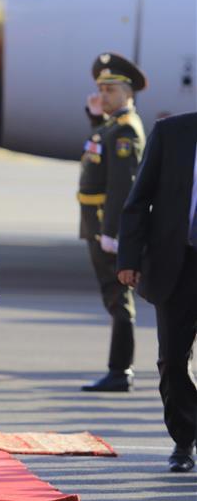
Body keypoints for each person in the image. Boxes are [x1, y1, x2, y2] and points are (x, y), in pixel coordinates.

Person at [117, 111, 197, 472]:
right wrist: (129, 258)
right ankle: (184, 437)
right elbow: (139, 200)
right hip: (176, 265)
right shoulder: (171, 132)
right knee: (172, 361)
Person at [79, 53, 147, 392]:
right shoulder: (111, 126)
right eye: (101, 90)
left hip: (106, 224)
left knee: (118, 297)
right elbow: (98, 157)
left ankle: (121, 370)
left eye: (111, 91)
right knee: (112, 296)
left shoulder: (125, 132)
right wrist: (94, 118)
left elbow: (124, 186)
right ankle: (120, 368)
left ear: (128, 93)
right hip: (96, 224)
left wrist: (113, 232)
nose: (103, 96)